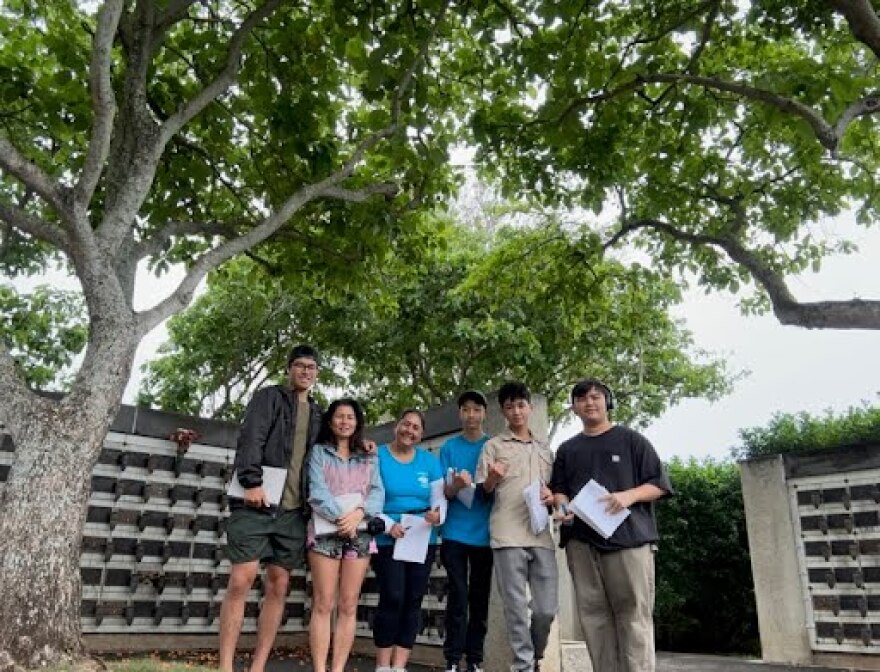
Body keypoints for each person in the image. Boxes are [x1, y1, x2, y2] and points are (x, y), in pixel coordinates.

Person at [551, 378, 673, 672]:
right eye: (582, 399)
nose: (589, 403)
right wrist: (562, 507)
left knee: (633, 616)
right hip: (581, 544)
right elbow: (559, 489)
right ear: (574, 408)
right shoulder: (568, 449)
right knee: (593, 617)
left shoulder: (632, 440)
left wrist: (628, 496)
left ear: (607, 401)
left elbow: (659, 484)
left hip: (629, 542)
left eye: (595, 397)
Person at [218, 344, 323, 672]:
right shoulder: (269, 397)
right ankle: (225, 665)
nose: (305, 371)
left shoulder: (319, 413)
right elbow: (251, 437)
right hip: (257, 503)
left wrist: (362, 443)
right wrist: (251, 481)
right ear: (289, 368)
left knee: (279, 583)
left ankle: (258, 666)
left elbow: (332, 447)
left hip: (293, 512)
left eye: (311, 367)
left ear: (316, 374)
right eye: (300, 366)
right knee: (241, 580)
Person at [476, 382, 557, 672]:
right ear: (503, 411)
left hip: (540, 535)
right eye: (509, 406)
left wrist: (551, 496)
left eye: (521, 405)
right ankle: (523, 665)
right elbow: (481, 493)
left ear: (530, 408)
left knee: (546, 610)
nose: (516, 411)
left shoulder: (546, 450)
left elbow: (556, 493)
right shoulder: (493, 447)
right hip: (506, 534)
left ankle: (535, 655)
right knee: (515, 608)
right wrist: (492, 478)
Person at [306, 398, 385, 672]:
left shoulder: (369, 455)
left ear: (357, 423)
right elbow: (317, 491)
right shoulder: (319, 452)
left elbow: (377, 492)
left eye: (350, 417)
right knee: (323, 602)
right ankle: (319, 668)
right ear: (330, 421)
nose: (345, 422)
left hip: (360, 533)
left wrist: (358, 515)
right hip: (326, 531)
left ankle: (338, 668)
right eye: (340, 416)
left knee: (349, 604)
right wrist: (343, 519)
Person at [373, 409, 447, 672]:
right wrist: (388, 525)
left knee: (413, 598)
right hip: (388, 536)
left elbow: (438, 498)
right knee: (392, 595)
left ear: (421, 434)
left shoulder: (429, 461)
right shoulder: (377, 455)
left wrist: (437, 514)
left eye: (416, 427)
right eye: (406, 424)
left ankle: (399, 665)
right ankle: (383, 664)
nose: (410, 430)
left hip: (422, 536)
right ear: (396, 426)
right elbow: (368, 498)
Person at [439, 390, 493, 672]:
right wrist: (457, 486)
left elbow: (493, 492)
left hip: (485, 535)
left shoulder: (493, 446)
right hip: (454, 535)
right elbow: (444, 492)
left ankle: (474, 660)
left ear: (485, 413)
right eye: (466, 409)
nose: (471, 415)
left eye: (476, 409)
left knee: (479, 598)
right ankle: (451, 659)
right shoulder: (449, 448)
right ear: (460, 413)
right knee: (458, 596)